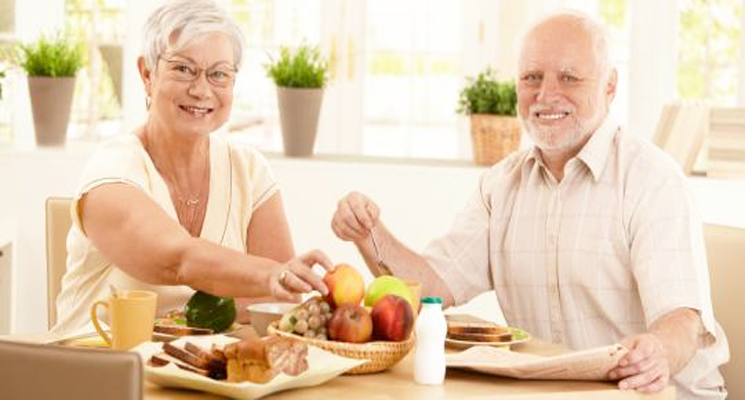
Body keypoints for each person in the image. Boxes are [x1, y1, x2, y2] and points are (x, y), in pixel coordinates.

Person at [331, 10, 728, 399]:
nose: (545, 95)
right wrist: (370, 235)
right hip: (559, 392)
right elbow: (431, 288)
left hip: (658, 394)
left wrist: (656, 352)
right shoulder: (501, 185)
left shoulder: (652, 180)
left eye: (569, 78)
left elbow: (682, 320)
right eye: (531, 78)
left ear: (610, 86)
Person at [52, 0, 331, 335]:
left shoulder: (249, 170)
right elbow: (177, 259)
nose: (201, 90)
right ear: (147, 73)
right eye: (183, 69)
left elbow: (275, 304)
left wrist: (281, 285)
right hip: (100, 373)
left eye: (219, 74)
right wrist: (271, 274)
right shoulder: (112, 171)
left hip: (204, 376)